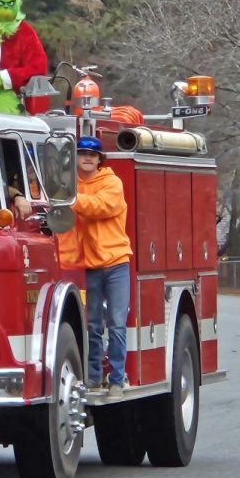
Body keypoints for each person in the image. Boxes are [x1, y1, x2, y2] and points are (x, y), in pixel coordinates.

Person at [69, 135, 133, 399]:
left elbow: (100, 207)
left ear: (99, 159)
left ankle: (116, 380)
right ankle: (94, 377)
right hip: (90, 265)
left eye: (92, 155)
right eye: (83, 153)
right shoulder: (69, 185)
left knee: (117, 324)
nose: (87, 158)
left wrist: (69, 200)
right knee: (93, 325)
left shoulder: (112, 183)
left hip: (117, 263)